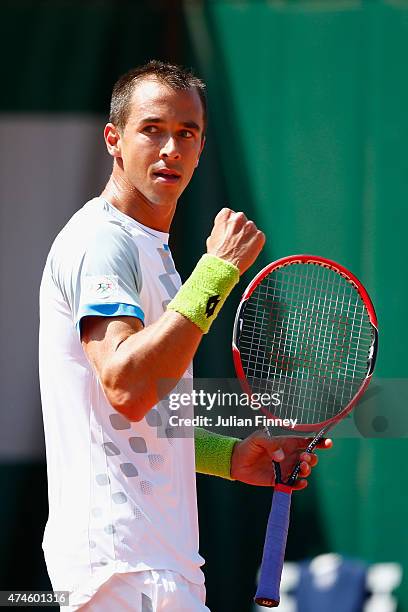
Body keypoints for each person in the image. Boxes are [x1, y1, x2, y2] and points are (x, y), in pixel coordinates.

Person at [39, 60, 331, 611]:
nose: (170, 148)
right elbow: (127, 386)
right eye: (152, 129)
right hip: (122, 567)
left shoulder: (153, 253)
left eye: (186, 133)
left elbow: (136, 418)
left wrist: (230, 457)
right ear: (114, 140)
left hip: (158, 565)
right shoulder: (102, 241)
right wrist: (216, 272)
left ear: (199, 150)